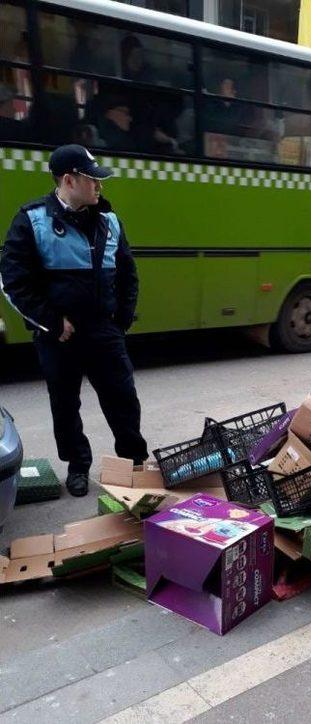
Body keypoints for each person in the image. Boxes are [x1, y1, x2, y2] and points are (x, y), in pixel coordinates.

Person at [0, 145, 148, 497]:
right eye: (93, 179)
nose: (100, 186)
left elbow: (128, 274)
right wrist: (52, 322)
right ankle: (77, 466)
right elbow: (12, 280)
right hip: (59, 336)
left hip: (104, 331)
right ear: (69, 180)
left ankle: (134, 463)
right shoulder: (32, 220)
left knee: (123, 398)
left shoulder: (110, 220)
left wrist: (121, 320)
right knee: (65, 405)